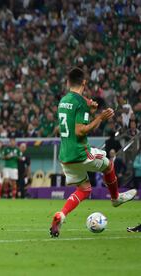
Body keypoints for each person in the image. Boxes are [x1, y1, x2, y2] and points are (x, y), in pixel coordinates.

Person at [50, 67, 137, 238]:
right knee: (108, 164)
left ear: (68, 82)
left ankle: (62, 215)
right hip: (80, 153)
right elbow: (80, 131)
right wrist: (100, 117)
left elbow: (71, 123)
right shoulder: (80, 102)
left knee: (84, 189)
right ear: (84, 82)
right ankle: (115, 198)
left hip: (65, 156)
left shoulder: (63, 101)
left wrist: (89, 113)